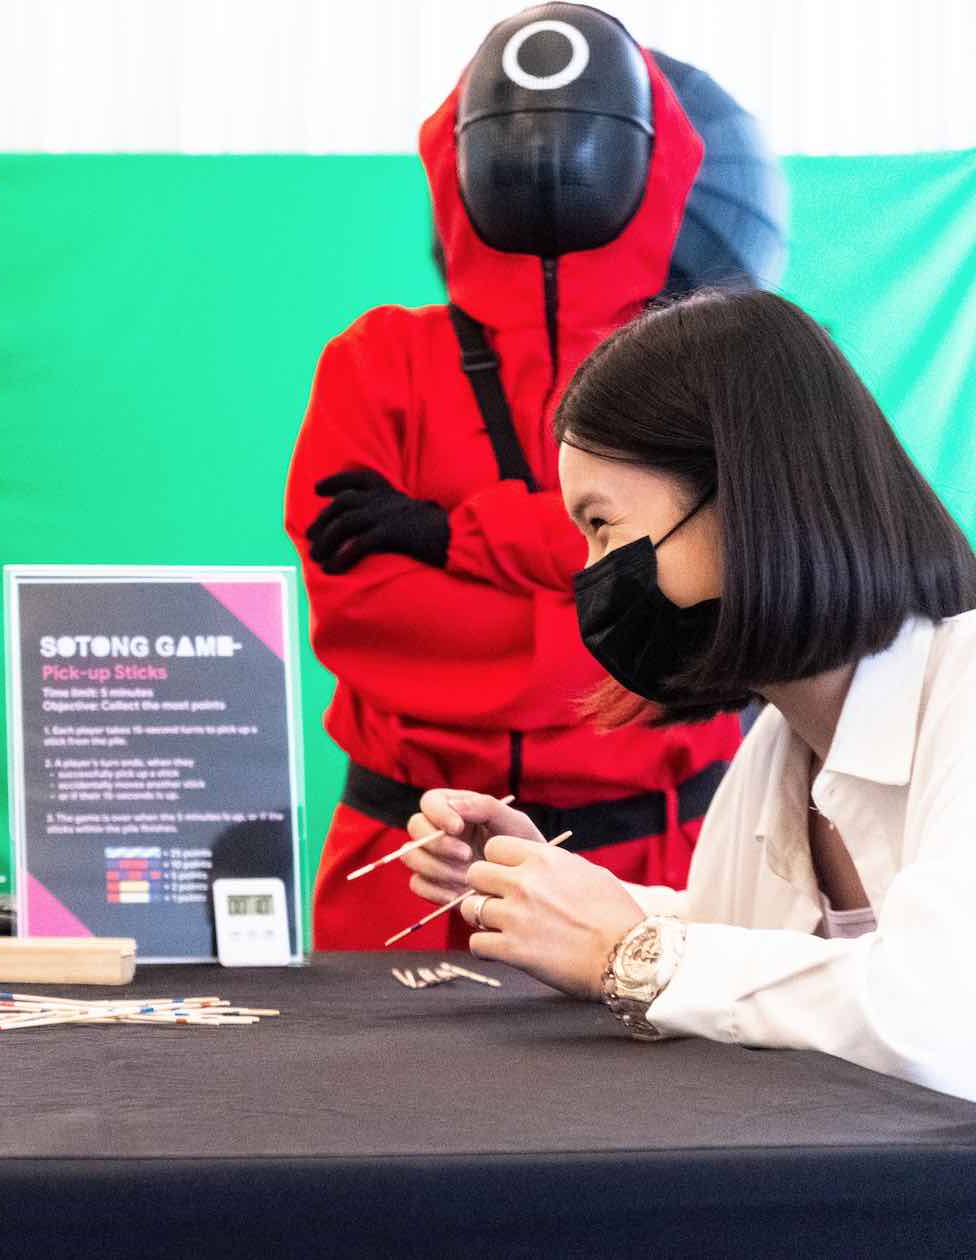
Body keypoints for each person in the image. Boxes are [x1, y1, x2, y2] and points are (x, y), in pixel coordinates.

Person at [399, 288, 976, 1100]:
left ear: (744, 497)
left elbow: (944, 1019)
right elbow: (746, 952)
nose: (591, 573)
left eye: (602, 525)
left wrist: (628, 954)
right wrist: (542, 893)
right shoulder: (782, 745)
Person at [285, 3, 741, 950]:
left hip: (667, 870)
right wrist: (616, 621)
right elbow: (368, 620)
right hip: (405, 868)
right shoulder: (373, 362)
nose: (547, 157)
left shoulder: (707, 369)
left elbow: (719, 604)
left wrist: (452, 537)